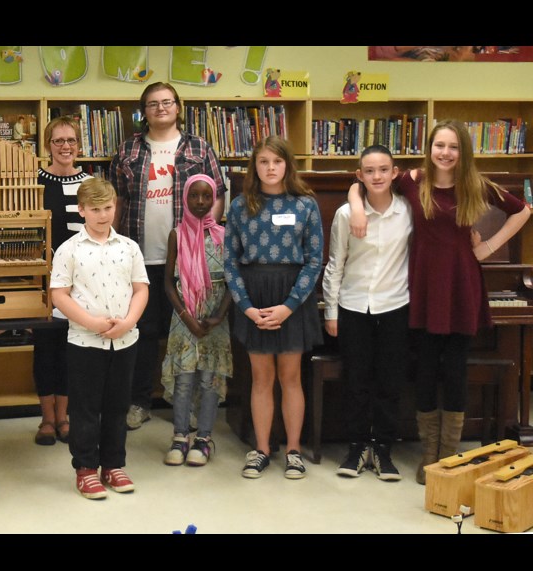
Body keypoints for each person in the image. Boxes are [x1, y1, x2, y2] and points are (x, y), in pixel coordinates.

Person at [349, 120, 530, 484]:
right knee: (427, 368)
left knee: (455, 370)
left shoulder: (475, 185)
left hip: (462, 283)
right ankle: (428, 453)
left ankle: (448, 455)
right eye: (439, 145)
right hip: (424, 285)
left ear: (463, 151)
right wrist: (355, 205)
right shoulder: (413, 181)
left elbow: (523, 210)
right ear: (429, 148)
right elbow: (362, 181)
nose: (445, 153)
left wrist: (489, 247)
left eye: (453, 147)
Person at [109, 81, 227, 431]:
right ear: (143, 111)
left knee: (186, 331)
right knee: (141, 333)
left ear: (178, 106)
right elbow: (117, 198)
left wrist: (205, 236)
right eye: (152, 103)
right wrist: (113, 245)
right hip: (139, 256)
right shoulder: (129, 148)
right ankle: (139, 401)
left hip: (189, 260)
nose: (160, 108)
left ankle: (184, 403)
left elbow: (218, 192)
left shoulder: (198, 147)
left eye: (167, 102)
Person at [224, 136, 324, 480]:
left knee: (291, 377)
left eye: (277, 162)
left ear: (287, 165)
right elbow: (230, 262)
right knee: (261, 378)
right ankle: (262, 448)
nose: (270, 168)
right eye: (263, 161)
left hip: (292, 298)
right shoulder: (240, 206)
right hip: (254, 296)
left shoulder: (305, 205)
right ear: (255, 165)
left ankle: (293, 450)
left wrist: (289, 306)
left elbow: (314, 261)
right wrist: (248, 308)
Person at [50, 177, 149, 499]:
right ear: (81, 210)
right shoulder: (69, 249)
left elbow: (141, 288)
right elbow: (59, 295)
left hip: (124, 340)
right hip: (85, 342)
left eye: (108, 208)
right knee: (85, 408)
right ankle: (86, 468)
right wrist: (92, 322)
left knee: (118, 405)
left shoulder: (129, 247)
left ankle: (113, 464)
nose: (103, 215)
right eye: (95, 209)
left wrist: (130, 321)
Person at [323, 146, 410, 480]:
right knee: (356, 380)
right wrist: (331, 312)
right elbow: (336, 263)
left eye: (383, 170)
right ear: (359, 176)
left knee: (389, 381)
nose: (377, 176)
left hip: (394, 306)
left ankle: (384, 449)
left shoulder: (407, 212)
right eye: (369, 171)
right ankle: (358, 446)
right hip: (354, 306)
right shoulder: (347, 215)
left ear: (394, 173)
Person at [160, 174, 232, 467]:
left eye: (207, 196)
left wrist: (219, 315)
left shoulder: (223, 236)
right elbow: (167, 282)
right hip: (184, 318)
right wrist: (186, 317)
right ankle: (180, 436)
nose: (201, 202)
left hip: (215, 320)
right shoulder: (176, 234)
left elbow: (232, 282)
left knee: (209, 379)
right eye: (195, 196)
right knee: (184, 380)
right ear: (185, 199)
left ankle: (203, 439)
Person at [32, 116, 92, 445]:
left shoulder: (89, 184)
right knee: (45, 349)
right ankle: (46, 419)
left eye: (70, 141)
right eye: (58, 141)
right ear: (48, 146)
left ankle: (65, 417)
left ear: (79, 145)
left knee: (71, 349)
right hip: (43, 279)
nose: (65, 147)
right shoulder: (35, 182)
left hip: (79, 282)